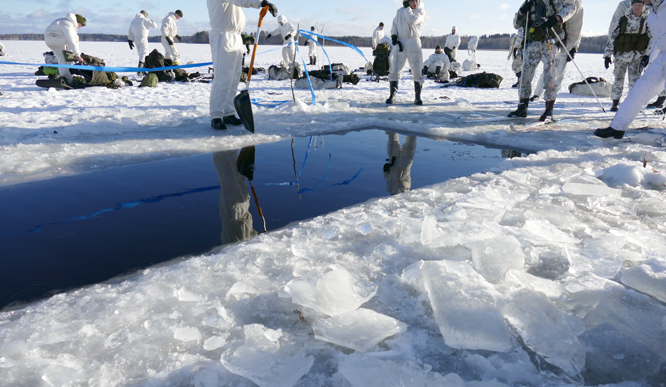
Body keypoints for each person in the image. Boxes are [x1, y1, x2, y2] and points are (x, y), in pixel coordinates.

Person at [595, 0, 665, 139]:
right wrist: (650, 58)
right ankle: (617, 128)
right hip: (662, 56)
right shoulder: (653, 10)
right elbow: (658, 39)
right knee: (639, 90)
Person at [207, 0, 278, 130]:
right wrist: (260, 2)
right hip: (223, 36)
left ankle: (228, 113)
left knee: (234, 78)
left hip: (235, 36)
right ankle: (216, 115)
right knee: (223, 78)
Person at [508, 0, 577, 121]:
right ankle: (522, 107)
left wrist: (556, 18)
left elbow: (572, 7)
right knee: (525, 75)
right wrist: (521, 12)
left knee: (550, 76)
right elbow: (516, 25)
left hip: (550, 41)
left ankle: (548, 111)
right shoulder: (530, 2)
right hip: (532, 42)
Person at [531, 0, 584, 102]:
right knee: (549, 70)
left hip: (566, 43)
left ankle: (551, 99)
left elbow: (577, 28)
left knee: (559, 74)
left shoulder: (577, 4)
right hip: (554, 39)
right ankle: (537, 94)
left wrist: (574, 48)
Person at [604, 0, 652, 112]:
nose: (637, 8)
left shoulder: (647, 21)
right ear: (631, 6)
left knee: (635, 81)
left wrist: (647, 55)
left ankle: (633, 104)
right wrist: (607, 54)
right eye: (635, 5)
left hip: (637, 57)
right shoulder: (623, 20)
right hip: (621, 56)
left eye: (639, 5)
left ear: (643, 6)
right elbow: (613, 37)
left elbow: (651, 38)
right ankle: (615, 102)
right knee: (618, 79)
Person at [213, 150, 259, 244]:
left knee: (231, 180)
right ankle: (225, 149)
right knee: (238, 177)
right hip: (242, 212)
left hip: (234, 213)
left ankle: (222, 150)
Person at [386, 0, 426, 105]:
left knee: (417, 70)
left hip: (414, 43)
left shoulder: (420, 12)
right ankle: (392, 95)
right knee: (395, 69)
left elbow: (411, 20)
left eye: (417, 0)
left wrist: (407, 8)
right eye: (412, 1)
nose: (415, 3)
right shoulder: (399, 12)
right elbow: (394, 25)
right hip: (401, 43)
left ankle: (418, 96)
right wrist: (394, 35)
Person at [44, 13, 86, 83]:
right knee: (75, 37)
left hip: (53, 40)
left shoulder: (66, 22)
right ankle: (69, 54)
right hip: (53, 38)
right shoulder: (68, 24)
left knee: (62, 59)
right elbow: (71, 40)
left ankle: (67, 79)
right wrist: (78, 56)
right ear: (77, 22)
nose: (80, 27)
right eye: (80, 25)